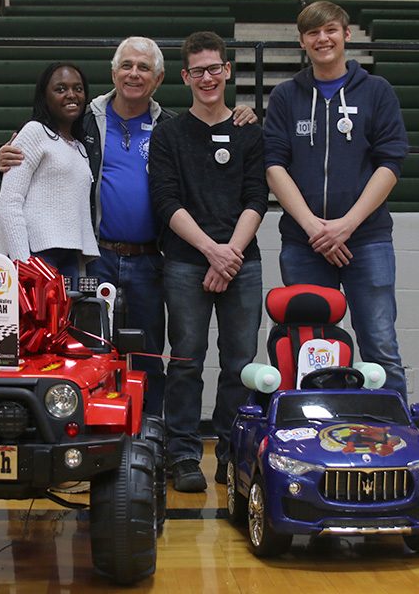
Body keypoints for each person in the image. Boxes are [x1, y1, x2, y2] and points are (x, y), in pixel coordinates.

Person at [0, 37, 257, 417]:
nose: (134, 74)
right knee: (87, 350)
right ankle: (90, 434)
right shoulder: (83, 119)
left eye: (144, 68)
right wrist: (0, 159)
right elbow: (29, 162)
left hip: (151, 261)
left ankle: (152, 440)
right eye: (127, 66)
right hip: (95, 257)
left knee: (149, 356)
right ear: (114, 72)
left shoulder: (171, 127)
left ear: (160, 77)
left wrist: (242, 115)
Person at [264, 1, 409, 398]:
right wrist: (315, 228)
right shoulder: (285, 97)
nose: (322, 39)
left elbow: (391, 162)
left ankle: (393, 437)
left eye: (330, 30)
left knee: (380, 346)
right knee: (310, 349)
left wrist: (346, 226)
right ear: (302, 42)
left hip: (367, 240)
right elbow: (274, 166)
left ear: (346, 34)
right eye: (312, 33)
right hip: (304, 244)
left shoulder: (377, 92)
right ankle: (314, 436)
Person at [149, 31, 268, 492]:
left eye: (214, 68)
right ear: (185, 77)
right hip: (185, 262)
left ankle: (232, 449)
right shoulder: (170, 133)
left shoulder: (249, 131)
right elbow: (165, 200)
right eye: (197, 70)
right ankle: (181, 454)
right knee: (185, 362)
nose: (207, 77)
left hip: (242, 262)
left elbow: (257, 197)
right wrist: (211, 252)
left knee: (241, 363)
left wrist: (230, 255)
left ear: (227, 71)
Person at [0, 62, 98, 285]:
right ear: (44, 96)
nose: (71, 95)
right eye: (60, 89)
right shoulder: (34, 132)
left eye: (78, 89)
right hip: (36, 256)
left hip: (69, 256)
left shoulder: (79, 146)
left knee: (66, 320)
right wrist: (25, 264)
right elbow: (8, 204)